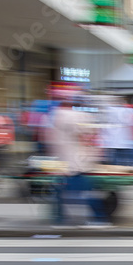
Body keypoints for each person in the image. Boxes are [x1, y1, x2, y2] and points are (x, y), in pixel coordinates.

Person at [48, 93, 111, 228]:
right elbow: (89, 132)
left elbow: (86, 132)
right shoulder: (71, 115)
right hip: (74, 161)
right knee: (77, 191)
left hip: (72, 162)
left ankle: (100, 218)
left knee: (81, 191)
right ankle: (61, 219)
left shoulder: (61, 115)